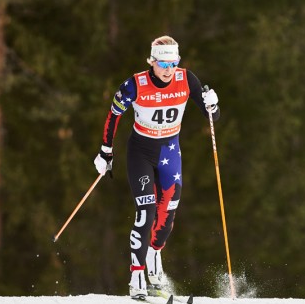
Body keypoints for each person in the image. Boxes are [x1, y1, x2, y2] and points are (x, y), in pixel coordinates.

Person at [94, 35, 220, 299]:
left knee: (167, 216)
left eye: (172, 63)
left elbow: (212, 116)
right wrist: (106, 151)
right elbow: (114, 114)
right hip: (141, 152)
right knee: (147, 211)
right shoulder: (135, 84)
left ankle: (154, 257)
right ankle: (136, 275)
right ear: (151, 61)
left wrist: (213, 104)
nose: (168, 70)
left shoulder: (187, 79)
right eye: (162, 63)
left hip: (170, 153)